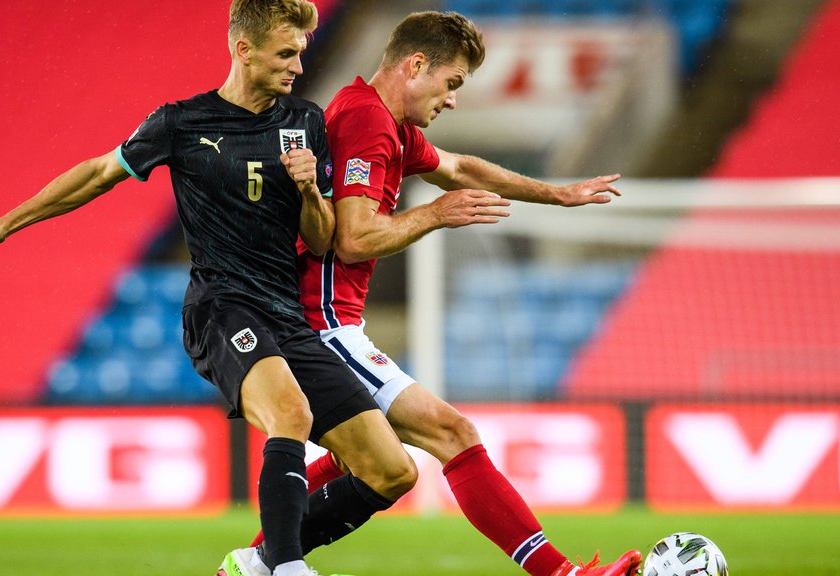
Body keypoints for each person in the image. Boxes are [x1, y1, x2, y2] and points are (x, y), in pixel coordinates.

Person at [0, 2, 418, 576]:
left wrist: (309, 190)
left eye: (301, 52)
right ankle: (286, 566)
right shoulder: (181, 123)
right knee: (291, 415)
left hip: (287, 314)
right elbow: (99, 174)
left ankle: (254, 562)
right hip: (222, 308)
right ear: (243, 49)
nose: (298, 65)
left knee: (391, 470)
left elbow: (323, 241)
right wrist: (6, 223)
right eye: (285, 53)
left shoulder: (303, 121)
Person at [243, 10, 642, 576]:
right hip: (317, 322)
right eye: (451, 83)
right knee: (449, 434)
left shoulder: (385, 123)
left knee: (365, 455)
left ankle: (256, 565)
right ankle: (560, 572)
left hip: (326, 320)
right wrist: (434, 214)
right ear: (416, 64)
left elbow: (458, 167)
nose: (452, 100)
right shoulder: (365, 121)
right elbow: (355, 239)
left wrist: (557, 194)